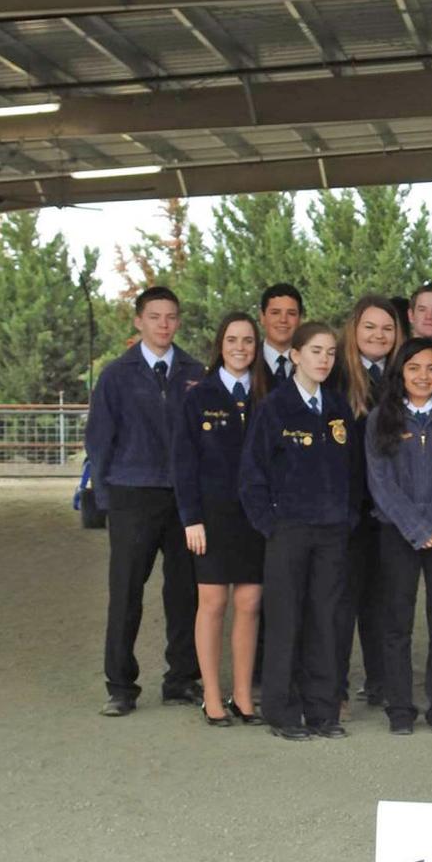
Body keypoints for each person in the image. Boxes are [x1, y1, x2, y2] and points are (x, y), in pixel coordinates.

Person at [84, 285, 205, 717]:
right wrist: (105, 496)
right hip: (132, 496)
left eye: (171, 316)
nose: (164, 325)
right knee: (126, 593)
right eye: (155, 316)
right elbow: (99, 439)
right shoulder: (117, 375)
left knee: (185, 593)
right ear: (139, 321)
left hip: (184, 499)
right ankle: (120, 686)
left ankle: (181, 679)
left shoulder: (196, 372)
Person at [239, 321, 363, 741]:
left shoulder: (338, 408)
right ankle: (284, 712)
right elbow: (251, 476)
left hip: (332, 532)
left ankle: (323, 711)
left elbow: (353, 473)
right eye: (315, 351)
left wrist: (347, 518)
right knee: (286, 620)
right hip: (288, 531)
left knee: (326, 621)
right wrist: (269, 525)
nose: (324, 360)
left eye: (330, 352)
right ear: (294, 355)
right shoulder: (274, 409)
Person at [366, 338, 432, 736]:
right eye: (414, 368)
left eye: (431, 368)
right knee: (396, 622)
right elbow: (380, 482)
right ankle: (399, 706)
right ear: (400, 373)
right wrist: (415, 527)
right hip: (398, 533)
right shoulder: (382, 418)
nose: (423, 376)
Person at [172, 311, 268, 727]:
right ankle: (211, 695)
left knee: (249, 603)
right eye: (232, 340)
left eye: (248, 341)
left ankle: (243, 696)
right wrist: (191, 518)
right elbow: (183, 462)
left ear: (257, 346)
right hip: (210, 519)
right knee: (213, 603)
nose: (240, 348)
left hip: (257, 518)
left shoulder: (270, 394)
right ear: (220, 345)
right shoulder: (199, 395)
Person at [337, 294, 401, 708]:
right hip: (347, 507)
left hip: (392, 508)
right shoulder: (336, 376)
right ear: (354, 331)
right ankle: (334, 684)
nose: (378, 335)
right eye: (370, 327)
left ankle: (382, 681)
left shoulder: (404, 375)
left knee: (385, 600)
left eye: (387, 328)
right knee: (341, 598)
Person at [260, 283, 305, 390]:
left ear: (300, 319)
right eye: (275, 313)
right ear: (262, 317)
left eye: (291, 313)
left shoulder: (311, 362)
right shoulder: (247, 361)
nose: (283, 320)